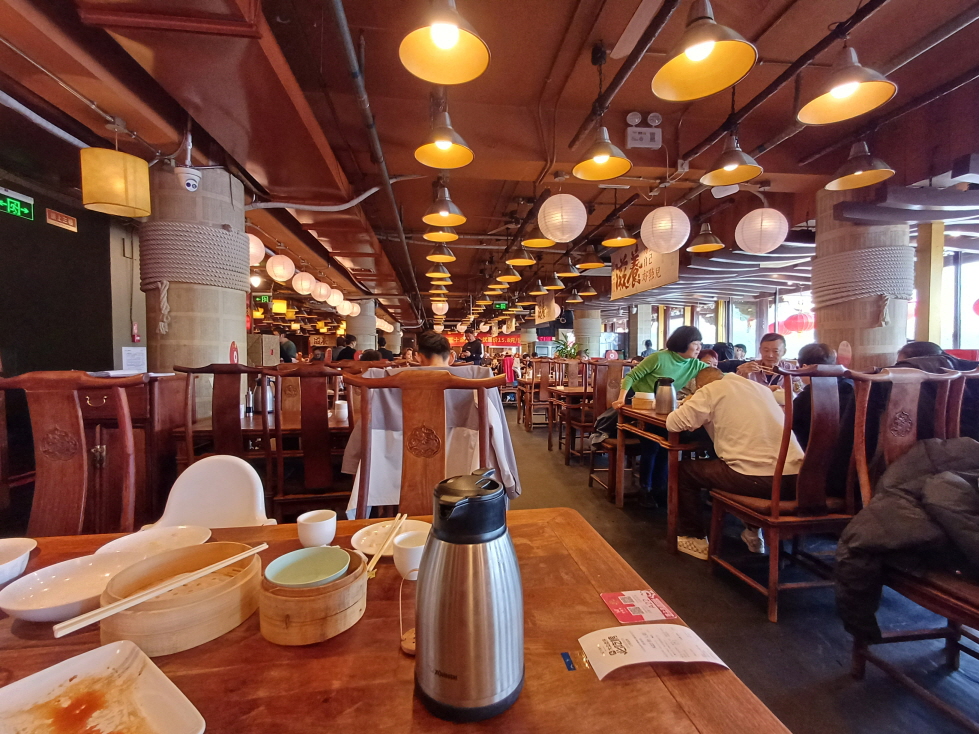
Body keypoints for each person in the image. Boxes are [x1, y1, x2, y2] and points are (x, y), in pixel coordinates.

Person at [666, 368, 804, 559]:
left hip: (758, 481)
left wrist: (691, 401)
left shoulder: (711, 389)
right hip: (797, 480)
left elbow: (673, 423)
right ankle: (753, 533)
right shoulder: (759, 388)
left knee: (685, 470)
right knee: (739, 459)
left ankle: (693, 537)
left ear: (700, 386)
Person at [612, 326, 709, 507]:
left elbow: (719, 376)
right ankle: (645, 490)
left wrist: (742, 374)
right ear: (683, 343)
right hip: (640, 404)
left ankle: (660, 490)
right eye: (695, 343)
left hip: (663, 407)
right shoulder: (659, 357)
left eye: (700, 344)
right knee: (652, 446)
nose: (699, 348)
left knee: (666, 444)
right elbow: (631, 376)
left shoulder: (694, 364)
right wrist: (621, 400)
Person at [792, 343, 854, 450]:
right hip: (853, 452)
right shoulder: (852, 385)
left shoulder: (805, 398)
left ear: (805, 367)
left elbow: (792, 429)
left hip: (813, 456)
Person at [736, 333, 801, 392]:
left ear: (784, 352)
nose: (770, 355)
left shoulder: (791, 370)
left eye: (775, 351)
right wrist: (743, 375)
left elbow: (798, 391)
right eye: (766, 350)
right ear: (760, 350)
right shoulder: (747, 368)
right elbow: (737, 392)